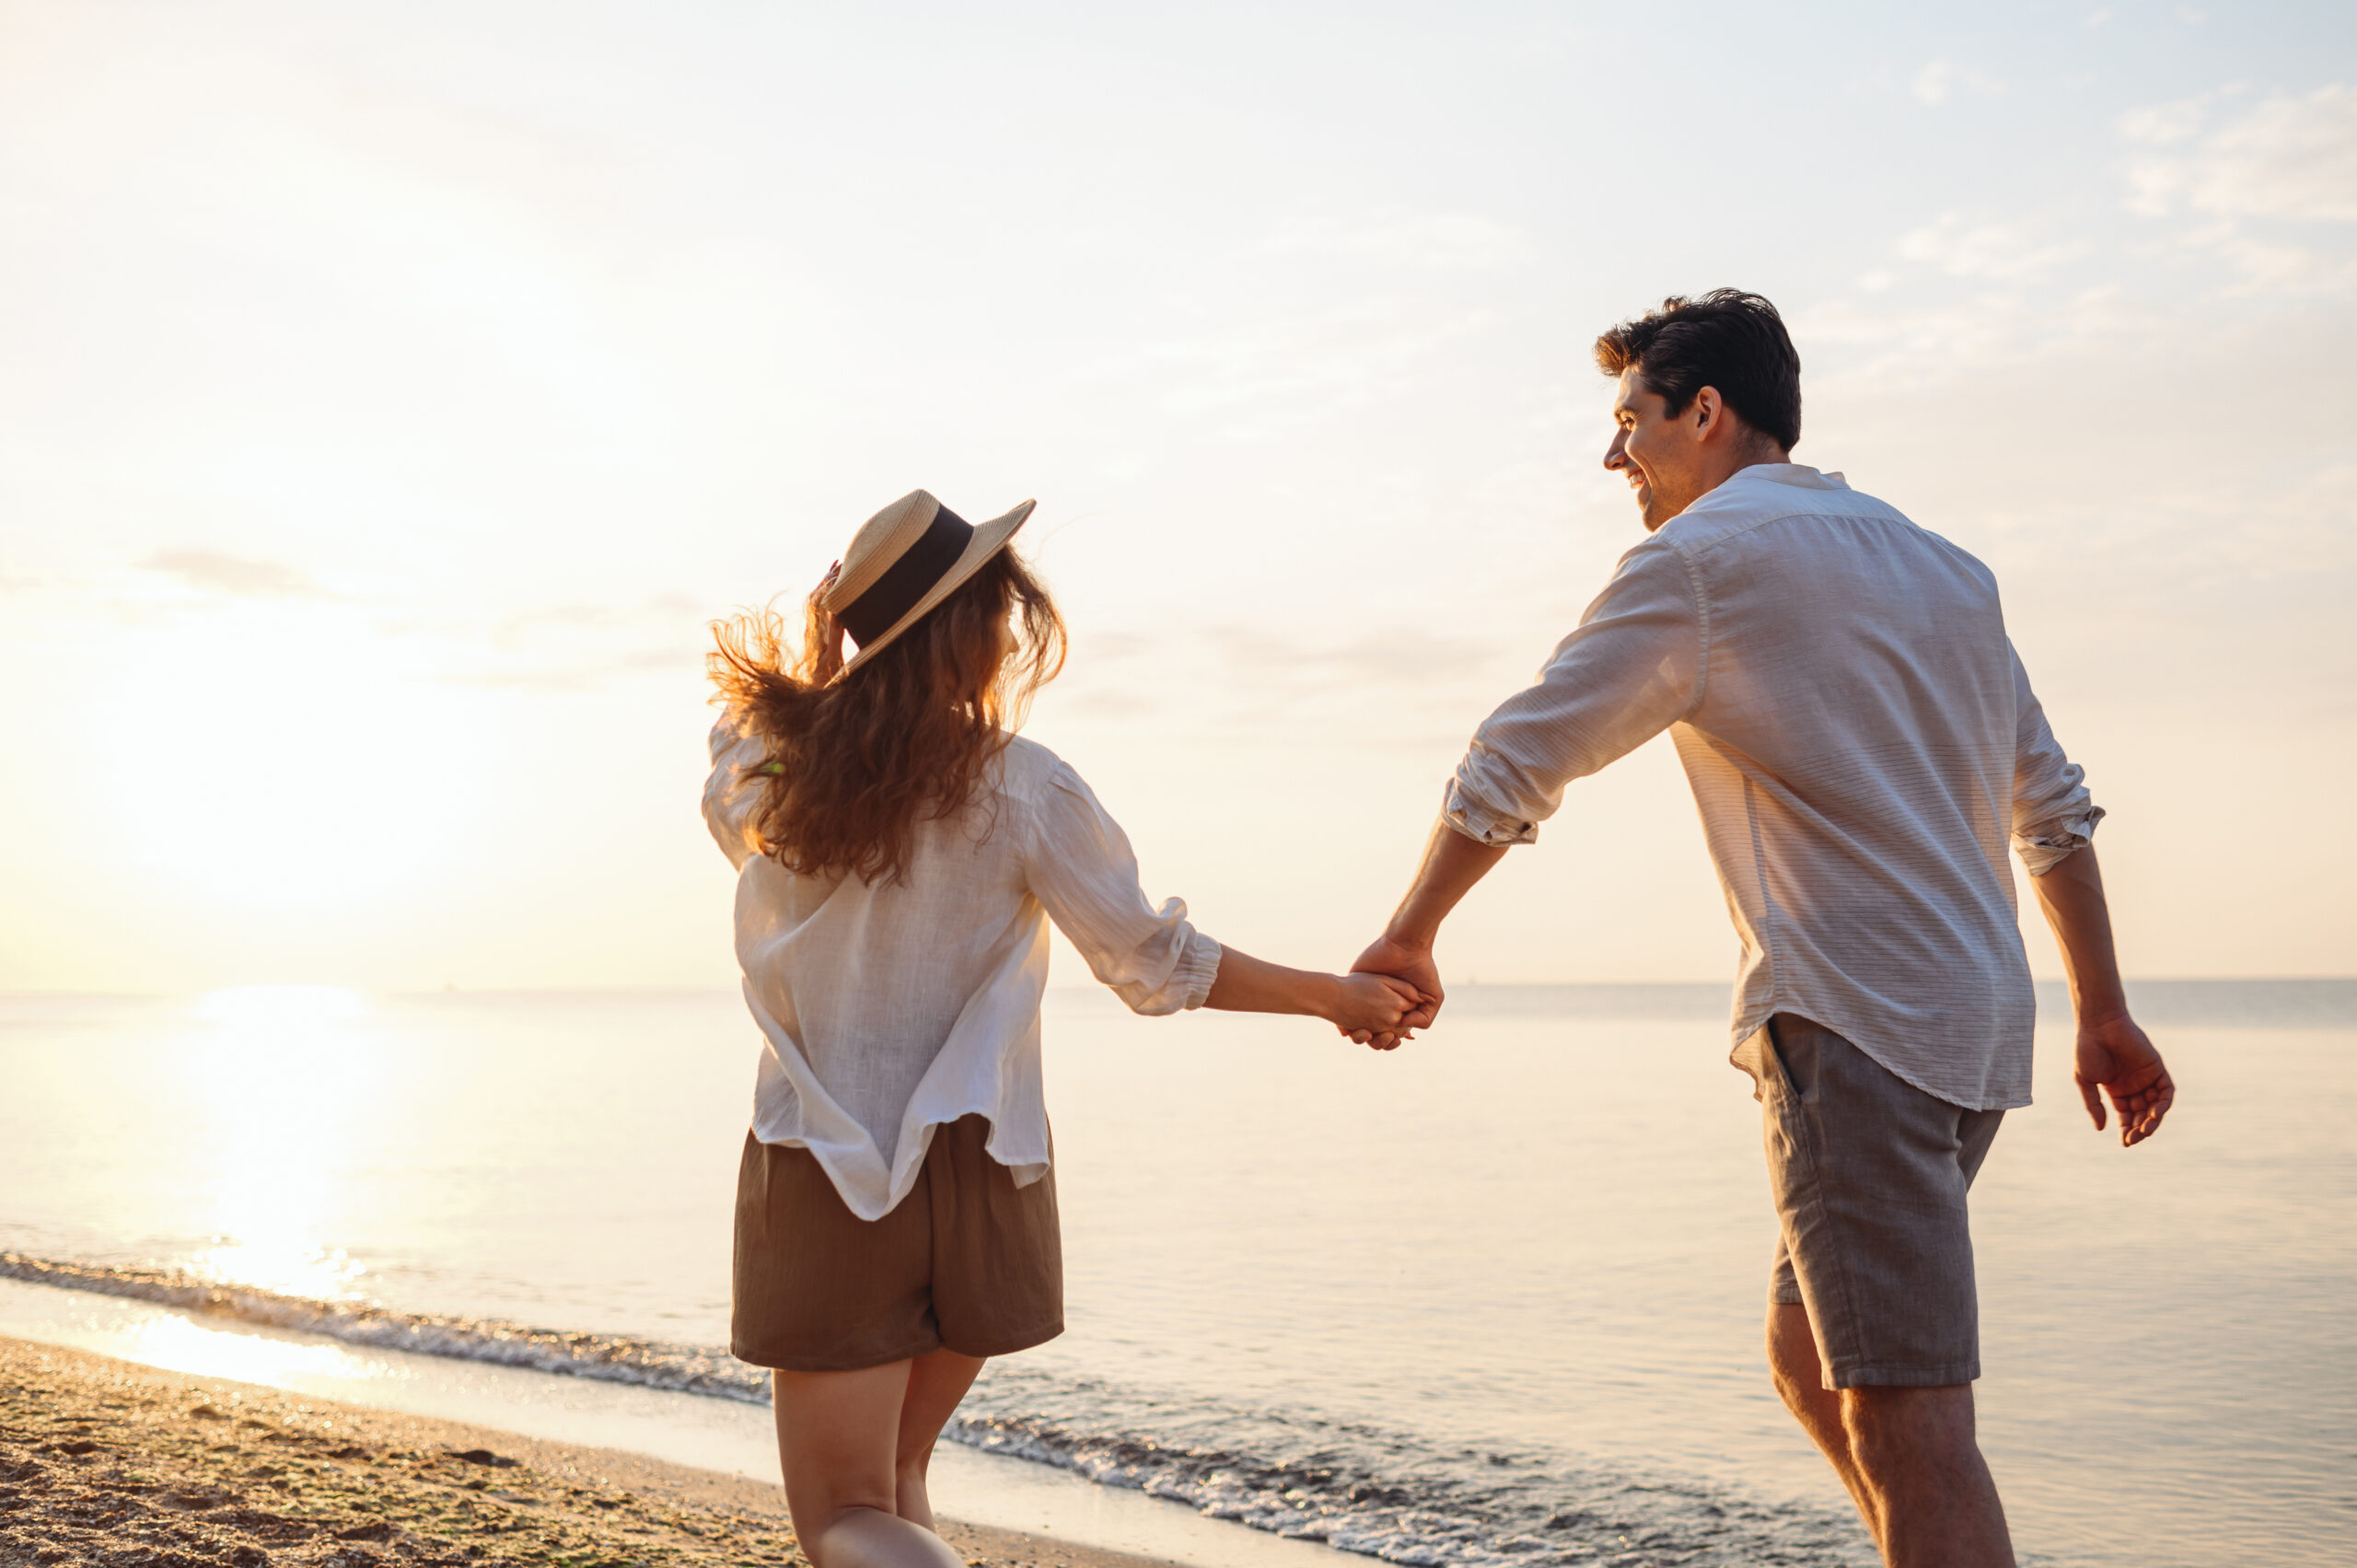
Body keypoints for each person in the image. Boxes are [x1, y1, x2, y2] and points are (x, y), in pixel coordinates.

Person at [1348, 291, 2176, 1568]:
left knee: (1914, 1424)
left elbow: (1517, 754)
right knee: (1809, 1355)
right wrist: (2103, 1011)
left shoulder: (1698, 562)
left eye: (1630, 422)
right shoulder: (1944, 566)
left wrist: (1411, 932)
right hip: (1974, 1025)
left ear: (1706, 412)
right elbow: (2052, 814)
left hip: (1858, 1024)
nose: (1614, 455)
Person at [702, 489, 1419, 1568]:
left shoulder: (777, 782)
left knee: (844, 1517)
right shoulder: (1023, 785)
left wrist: (827, 649)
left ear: (863, 633)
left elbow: (737, 751)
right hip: (986, 1169)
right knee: (893, 1483)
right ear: (975, 630)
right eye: (996, 609)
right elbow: (1152, 958)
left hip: (827, 1162)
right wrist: (1334, 994)